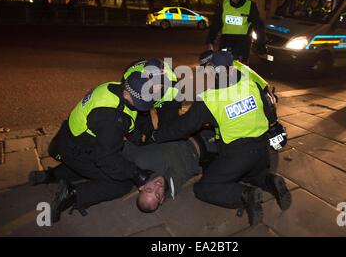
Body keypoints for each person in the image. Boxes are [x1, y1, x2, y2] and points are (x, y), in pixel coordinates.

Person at [153, 51, 291, 226]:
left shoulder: (210, 99)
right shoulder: (250, 84)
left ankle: (245, 195)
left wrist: (156, 135)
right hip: (262, 150)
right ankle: (271, 181)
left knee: (204, 188)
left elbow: (182, 128)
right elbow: (267, 112)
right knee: (251, 175)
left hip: (238, 153)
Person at [29, 71, 157, 223]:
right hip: (76, 149)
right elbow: (107, 159)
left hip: (71, 140)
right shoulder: (112, 118)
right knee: (120, 184)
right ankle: (73, 194)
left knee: (99, 167)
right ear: (128, 92)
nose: (144, 108)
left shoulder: (114, 88)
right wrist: (137, 175)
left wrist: (141, 142)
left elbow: (132, 120)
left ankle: (49, 176)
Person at [123, 130, 218, 212]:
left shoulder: (140, 163)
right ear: (162, 199)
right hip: (205, 145)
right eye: (157, 194)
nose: (157, 186)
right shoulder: (174, 187)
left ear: (142, 187)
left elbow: (123, 146)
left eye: (149, 189)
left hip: (179, 127)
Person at [205, 0, 265, 64]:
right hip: (226, 41)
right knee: (222, 69)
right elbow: (216, 24)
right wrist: (210, 41)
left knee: (241, 72)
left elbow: (258, 26)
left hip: (243, 43)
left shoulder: (250, 5)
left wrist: (260, 43)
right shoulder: (223, 5)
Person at [122, 58, 181, 145]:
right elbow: (128, 109)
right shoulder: (131, 78)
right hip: (140, 95)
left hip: (166, 99)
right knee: (137, 127)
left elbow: (171, 117)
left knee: (167, 130)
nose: (156, 88)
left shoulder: (174, 86)